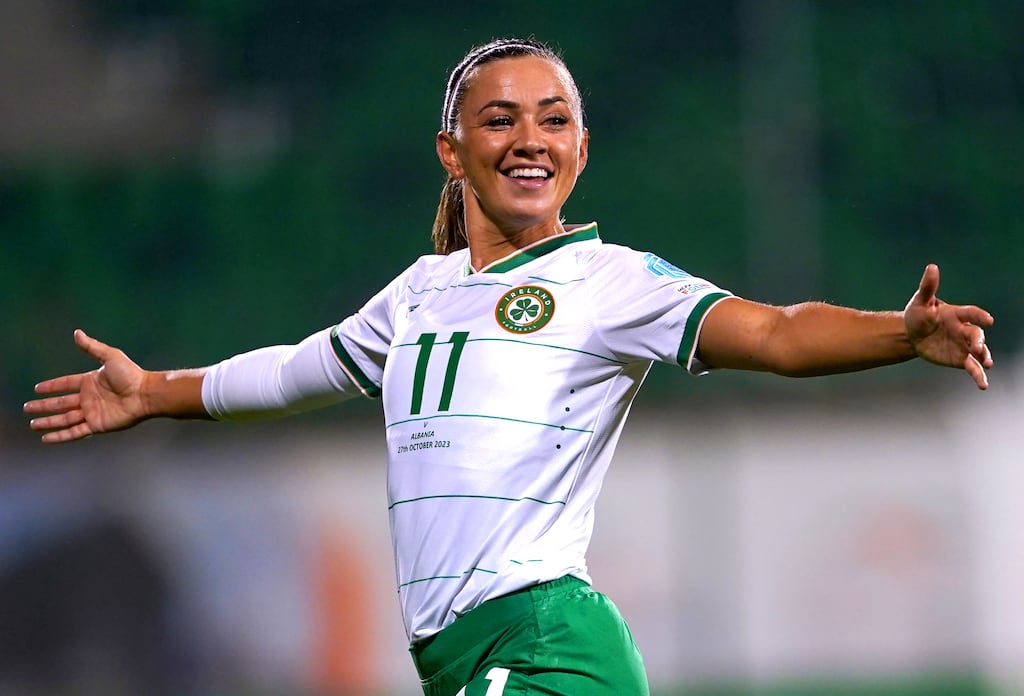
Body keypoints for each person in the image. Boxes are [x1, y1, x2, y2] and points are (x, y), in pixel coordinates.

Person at [24, 38, 993, 696]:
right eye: (500, 119)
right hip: (462, 657)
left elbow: (775, 334)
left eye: (553, 118)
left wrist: (895, 335)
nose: (529, 138)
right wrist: (153, 393)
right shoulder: (416, 297)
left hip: (540, 644)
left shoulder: (608, 281)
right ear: (452, 148)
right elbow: (288, 374)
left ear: (580, 147)